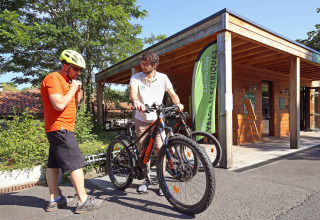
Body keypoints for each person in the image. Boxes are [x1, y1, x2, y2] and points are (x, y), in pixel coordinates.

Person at [40, 50, 106, 213]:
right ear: (65, 66)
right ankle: (83, 201)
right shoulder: (53, 79)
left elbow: (74, 105)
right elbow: (59, 105)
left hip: (61, 129)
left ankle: (54, 199)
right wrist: (72, 88)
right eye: (75, 69)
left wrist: (76, 90)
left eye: (80, 70)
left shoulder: (69, 82)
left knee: (53, 164)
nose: (78, 72)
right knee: (76, 162)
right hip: (60, 128)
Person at [130, 50, 184, 196]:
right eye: (142, 63)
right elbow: (133, 91)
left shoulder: (163, 78)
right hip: (141, 120)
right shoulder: (136, 77)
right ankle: (146, 180)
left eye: (146, 64)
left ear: (155, 65)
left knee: (160, 150)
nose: (143, 66)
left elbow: (172, 94)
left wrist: (178, 104)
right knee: (144, 152)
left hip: (157, 120)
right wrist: (135, 101)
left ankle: (161, 181)